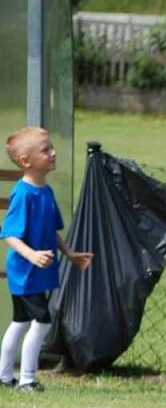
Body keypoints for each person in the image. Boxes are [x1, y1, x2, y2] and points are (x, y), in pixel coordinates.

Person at [2, 127, 92, 391]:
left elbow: (52, 231)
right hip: (25, 272)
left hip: (37, 270)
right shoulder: (23, 194)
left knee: (20, 322)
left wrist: (70, 254)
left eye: (51, 147)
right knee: (42, 322)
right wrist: (31, 254)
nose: (53, 153)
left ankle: (5, 375)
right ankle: (27, 379)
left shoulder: (46, 191)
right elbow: (9, 234)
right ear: (26, 161)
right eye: (45, 150)